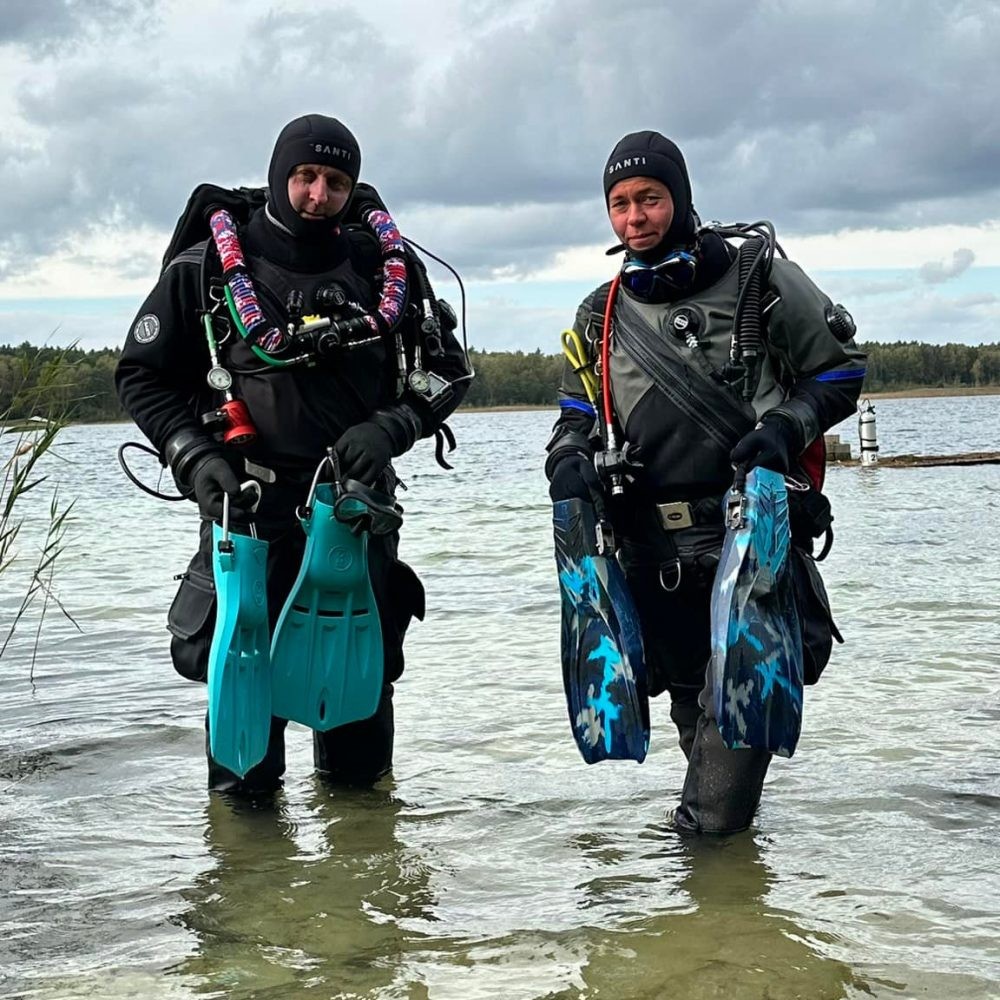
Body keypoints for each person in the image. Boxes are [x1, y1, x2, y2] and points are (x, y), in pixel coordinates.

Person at [116, 114, 471, 795]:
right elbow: (141, 375)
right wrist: (193, 457)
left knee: (359, 750)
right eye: (305, 177)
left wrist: (394, 426)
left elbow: (449, 370)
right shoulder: (206, 271)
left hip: (355, 515)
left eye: (336, 181)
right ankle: (246, 845)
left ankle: (361, 854)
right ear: (280, 175)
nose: (318, 195)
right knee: (244, 756)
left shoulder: (385, 269)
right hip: (247, 512)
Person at [545, 130, 865, 834]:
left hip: (750, 547)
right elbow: (577, 414)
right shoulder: (598, 314)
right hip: (653, 562)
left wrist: (784, 430)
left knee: (717, 799)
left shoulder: (760, 279)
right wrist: (565, 462)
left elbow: (841, 371)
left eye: (650, 198)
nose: (635, 217)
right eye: (621, 204)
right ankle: (719, 875)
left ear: (681, 197)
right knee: (699, 728)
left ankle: (705, 878)